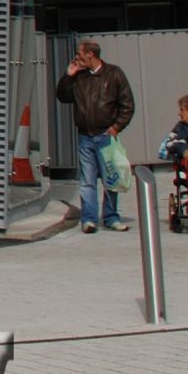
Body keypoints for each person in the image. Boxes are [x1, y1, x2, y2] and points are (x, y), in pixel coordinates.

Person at [53, 39, 134, 234]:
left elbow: (127, 104)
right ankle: (89, 219)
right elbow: (63, 96)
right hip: (85, 136)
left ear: (90, 54)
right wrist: (69, 75)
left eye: (80, 55)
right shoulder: (79, 77)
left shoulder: (114, 74)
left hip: (106, 135)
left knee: (110, 179)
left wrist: (116, 127)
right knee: (87, 180)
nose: (77, 58)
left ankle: (111, 217)